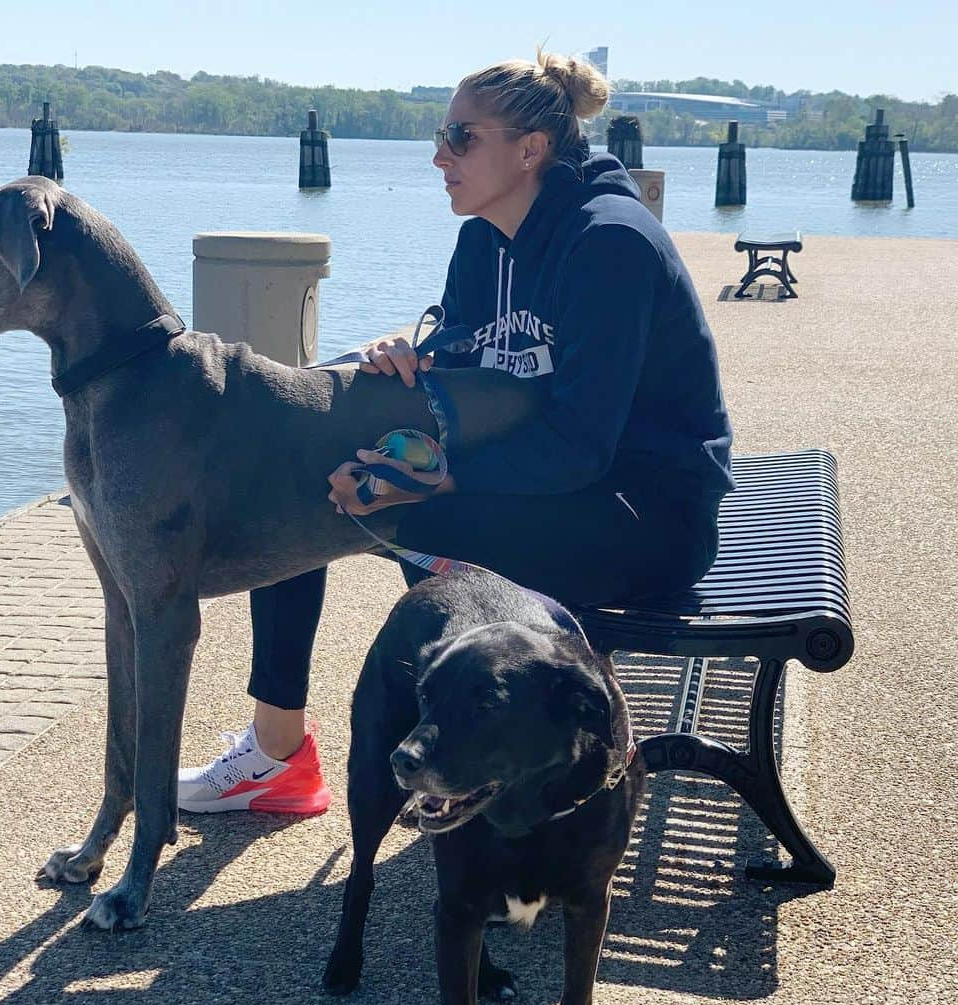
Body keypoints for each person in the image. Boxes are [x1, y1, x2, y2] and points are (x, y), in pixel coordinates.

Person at [177, 49, 734, 815]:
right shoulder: (484, 239)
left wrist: (434, 478)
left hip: (646, 515)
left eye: (461, 137)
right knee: (310, 482)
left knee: (421, 518)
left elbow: (580, 443)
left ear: (530, 148)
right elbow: (477, 355)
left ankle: (483, 748)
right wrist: (413, 354)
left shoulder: (610, 244)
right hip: (559, 488)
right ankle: (278, 754)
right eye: (442, 135)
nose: (440, 156)